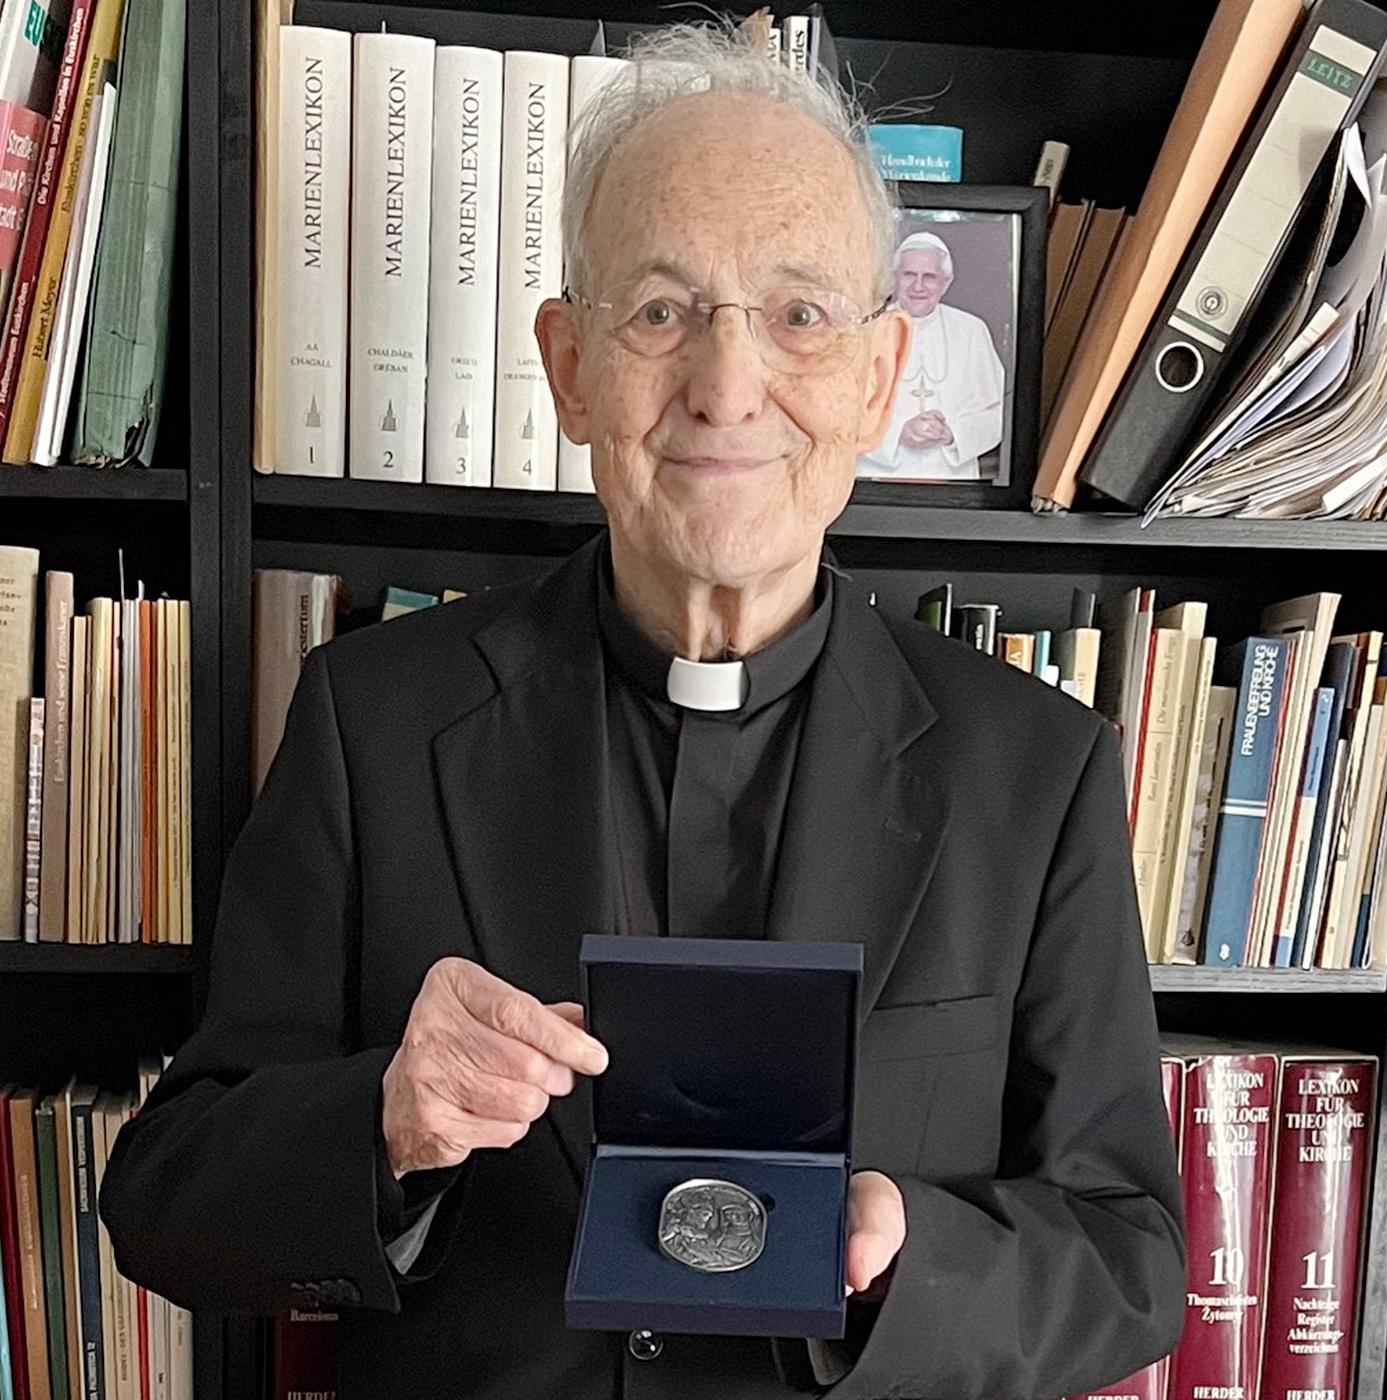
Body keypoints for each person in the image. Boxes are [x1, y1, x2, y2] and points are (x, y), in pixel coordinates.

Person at [100, 18, 1184, 1400]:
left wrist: (915, 1253)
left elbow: (1132, 1256)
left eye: (799, 313)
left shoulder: (1039, 770)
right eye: (661, 311)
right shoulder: (372, 720)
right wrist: (382, 1123)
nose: (727, 387)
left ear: (878, 376)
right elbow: (170, 1197)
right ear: (569, 367)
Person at [858, 230, 1006, 480]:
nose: (918, 286)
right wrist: (898, 433)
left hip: (952, 477)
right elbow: (843, 410)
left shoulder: (972, 330)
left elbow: (997, 412)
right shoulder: (867, 331)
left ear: (945, 282)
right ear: (894, 278)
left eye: (929, 277)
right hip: (876, 476)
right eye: (909, 275)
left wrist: (952, 434)